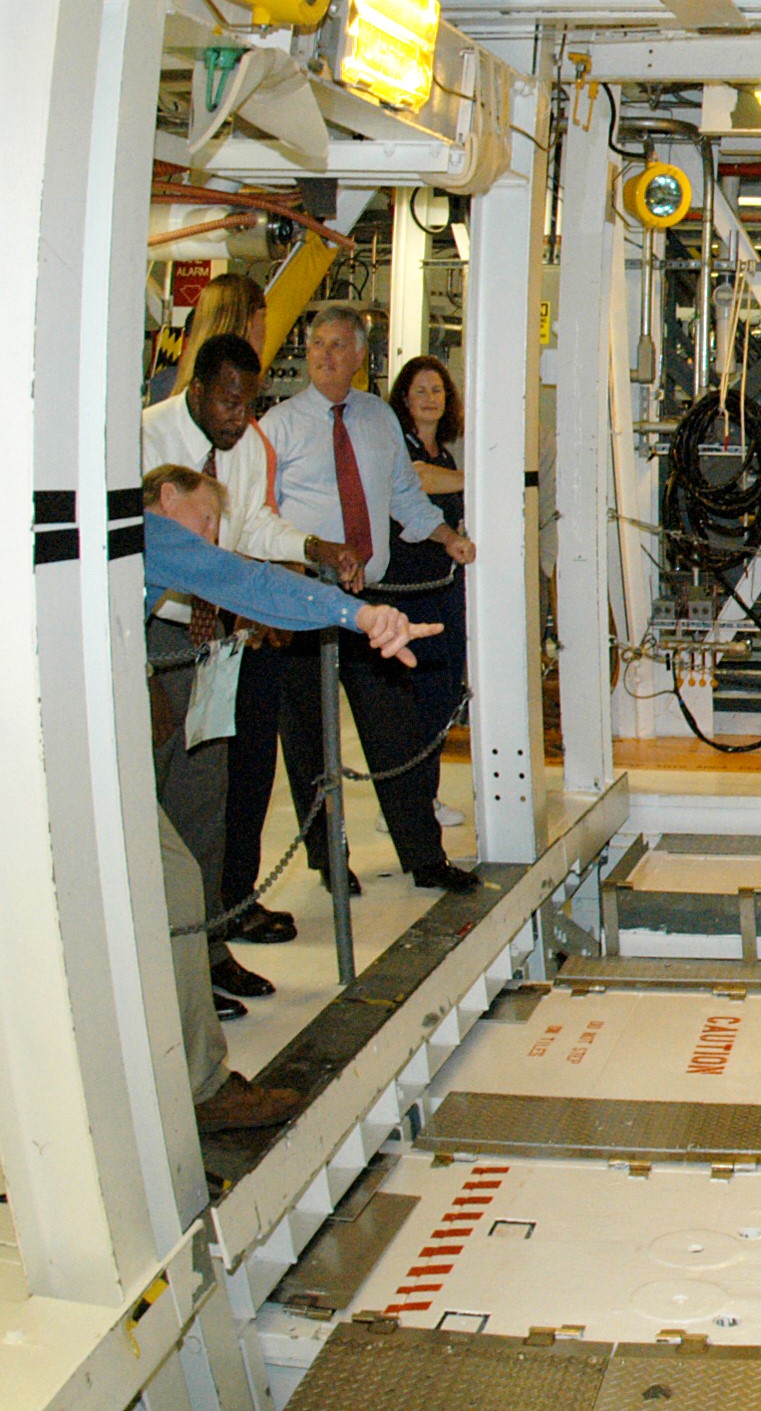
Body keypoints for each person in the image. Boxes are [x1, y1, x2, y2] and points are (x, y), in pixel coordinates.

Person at [141, 468, 435, 1134]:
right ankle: (198, 1088)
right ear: (166, 501)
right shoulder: (146, 535)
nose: (210, 535)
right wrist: (360, 613)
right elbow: (241, 579)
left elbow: (244, 577)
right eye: (205, 517)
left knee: (173, 884)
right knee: (173, 882)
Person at [142, 333, 364, 999]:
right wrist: (139, 669)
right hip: (154, 638)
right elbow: (177, 555)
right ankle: (160, 974)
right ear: (201, 390)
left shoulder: (246, 448)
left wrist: (313, 543)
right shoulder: (144, 439)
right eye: (230, 403)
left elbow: (251, 531)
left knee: (206, 800)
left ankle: (207, 953)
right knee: (148, 818)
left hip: (213, 639)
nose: (240, 417)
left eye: (249, 403)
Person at [237, 304, 479, 898]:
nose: (322, 354)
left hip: (369, 600)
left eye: (337, 344)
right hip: (302, 602)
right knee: (310, 743)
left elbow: (403, 497)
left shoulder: (375, 420)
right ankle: (329, 863)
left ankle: (425, 856)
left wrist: (448, 536)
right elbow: (256, 512)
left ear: (361, 356)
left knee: (393, 730)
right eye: (316, 343)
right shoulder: (280, 426)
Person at [384, 355, 469, 770]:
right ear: (404, 397)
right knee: (425, 689)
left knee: (448, 687)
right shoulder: (400, 447)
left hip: (445, 587)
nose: (430, 398)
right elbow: (418, 479)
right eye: (420, 390)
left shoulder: (448, 455)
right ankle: (409, 792)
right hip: (409, 590)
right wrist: (483, 478)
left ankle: (426, 792)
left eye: (437, 390)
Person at [154, 268, 267, 406]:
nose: (265, 328)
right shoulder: (224, 407)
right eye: (263, 316)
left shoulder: (169, 386)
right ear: (245, 323)